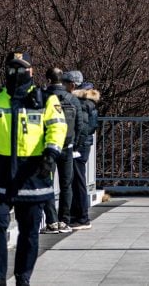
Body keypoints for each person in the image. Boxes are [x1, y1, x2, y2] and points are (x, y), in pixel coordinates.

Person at [0, 51, 66, 286]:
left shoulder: (45, 99)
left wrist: (51, 155)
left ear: (31, 71)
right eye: (12, 68)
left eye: (21, 68)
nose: (16, 73)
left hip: (32, 173)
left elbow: (57, 128)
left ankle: (23, 276)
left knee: (29, 231)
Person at [41, 67, 85, 235]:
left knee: (47, 184)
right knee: (66, 185)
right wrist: (75, 143)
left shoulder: (43, 97)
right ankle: (64, 221)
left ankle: (51, 222)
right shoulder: (72, 100)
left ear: (48, 79)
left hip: (48, 148)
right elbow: (80, 124)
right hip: (67, 147)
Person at [64, 71, 99, 230]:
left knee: (77, 180)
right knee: (77, 180)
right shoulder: (88, 101)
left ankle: (82, 218)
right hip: (84, 144)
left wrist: (75, 145)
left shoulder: (82, 102)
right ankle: (79, 216)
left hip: (80, 146)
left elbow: (83, 127)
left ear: (73, 85)